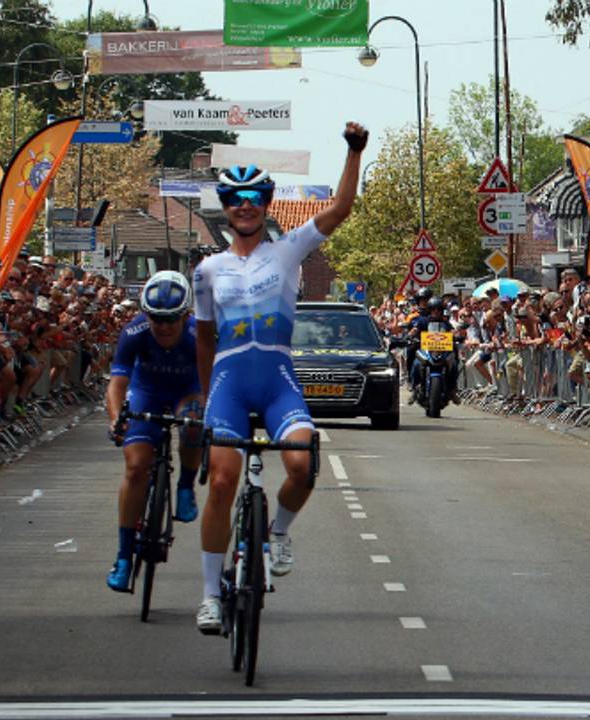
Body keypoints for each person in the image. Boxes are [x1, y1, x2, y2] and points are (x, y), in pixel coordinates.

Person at [192, 122, 367, 633]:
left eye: (253, 198)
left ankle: (279, 531)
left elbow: (339, 210)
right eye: (235, 199)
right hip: (228, 383)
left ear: (266, 204)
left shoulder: (287, 250)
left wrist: (354, 152)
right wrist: (205, 399)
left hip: (277, 380)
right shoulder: (207, 270)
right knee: (222, 482)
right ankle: (209, 596)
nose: (244, 206)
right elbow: (204, 338)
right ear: (225, 208)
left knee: (302, 462)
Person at [104, 271, 203, 593]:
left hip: (188, 391)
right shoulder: (133, 332)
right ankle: (123, 556)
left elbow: (215, 382)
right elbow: (117, 383)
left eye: (171, 319)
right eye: (156, 319)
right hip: (147, 391)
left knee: (192, 424)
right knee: (135, 468)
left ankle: (186, 486)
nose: (162, 326)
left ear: (186, 314)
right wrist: (117, 418)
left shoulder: (198, 334)